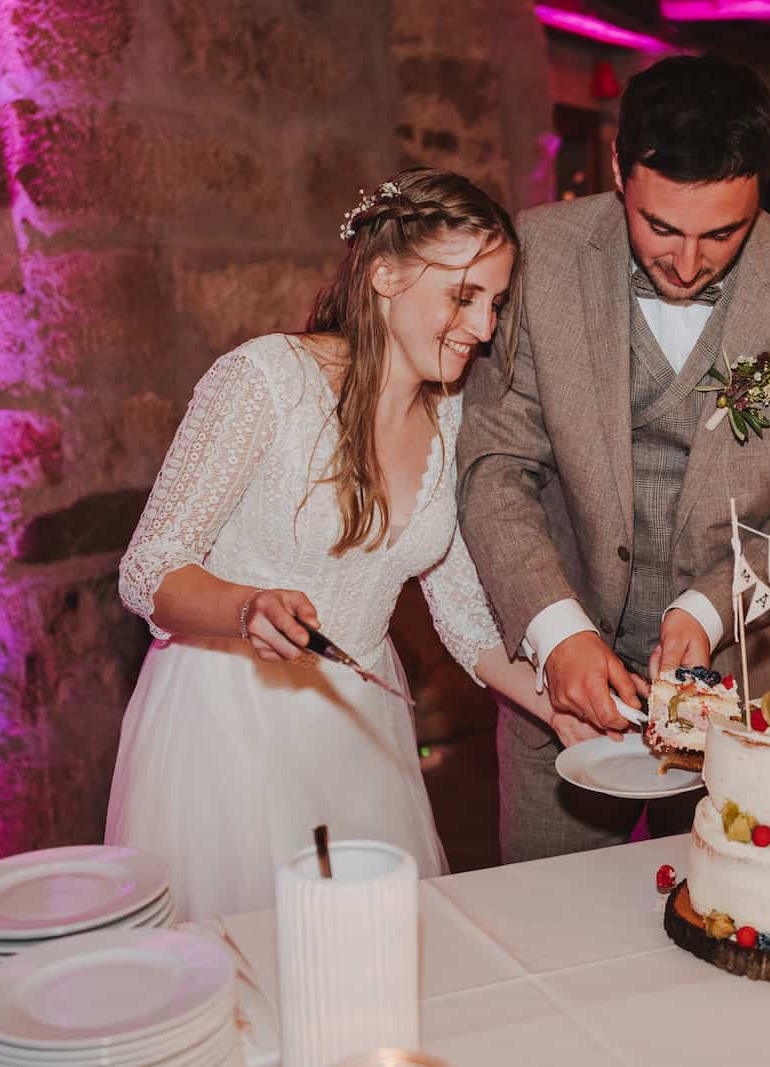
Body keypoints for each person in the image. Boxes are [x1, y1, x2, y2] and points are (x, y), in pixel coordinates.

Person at [107, 168, 579, 920]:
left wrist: (555, 705)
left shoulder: (453, 417)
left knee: (363, 966)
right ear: (385, 275)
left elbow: (459, 610)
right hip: (227, 725)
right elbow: (147, 568)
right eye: (464, 297)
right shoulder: (264, 381)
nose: (484, 328)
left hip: (361, 729)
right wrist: (244, 605)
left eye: (494, 302)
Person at [458, 55, 770, 863]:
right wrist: (554, 629)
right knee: (555, 933)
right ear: (619, 166)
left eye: (722, 233)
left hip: (758, 687)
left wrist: (711, 608)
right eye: (661, 228)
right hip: (561, 690)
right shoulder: (534, 258)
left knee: (750, 923)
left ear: (764, 182)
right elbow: (493, 466)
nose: (688, 265)